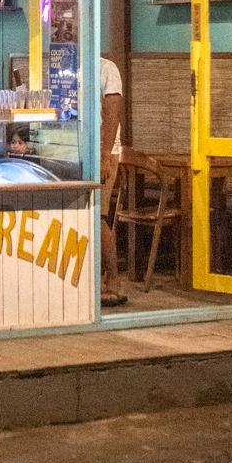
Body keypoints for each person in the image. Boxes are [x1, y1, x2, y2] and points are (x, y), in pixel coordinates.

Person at [100, 56, 126, 307]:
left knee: (98, 216)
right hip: (78, 150)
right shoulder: (66, 68)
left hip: (103, 152)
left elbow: (112, 114)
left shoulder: (107, 68)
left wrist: (105, 154)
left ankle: (113, 281)